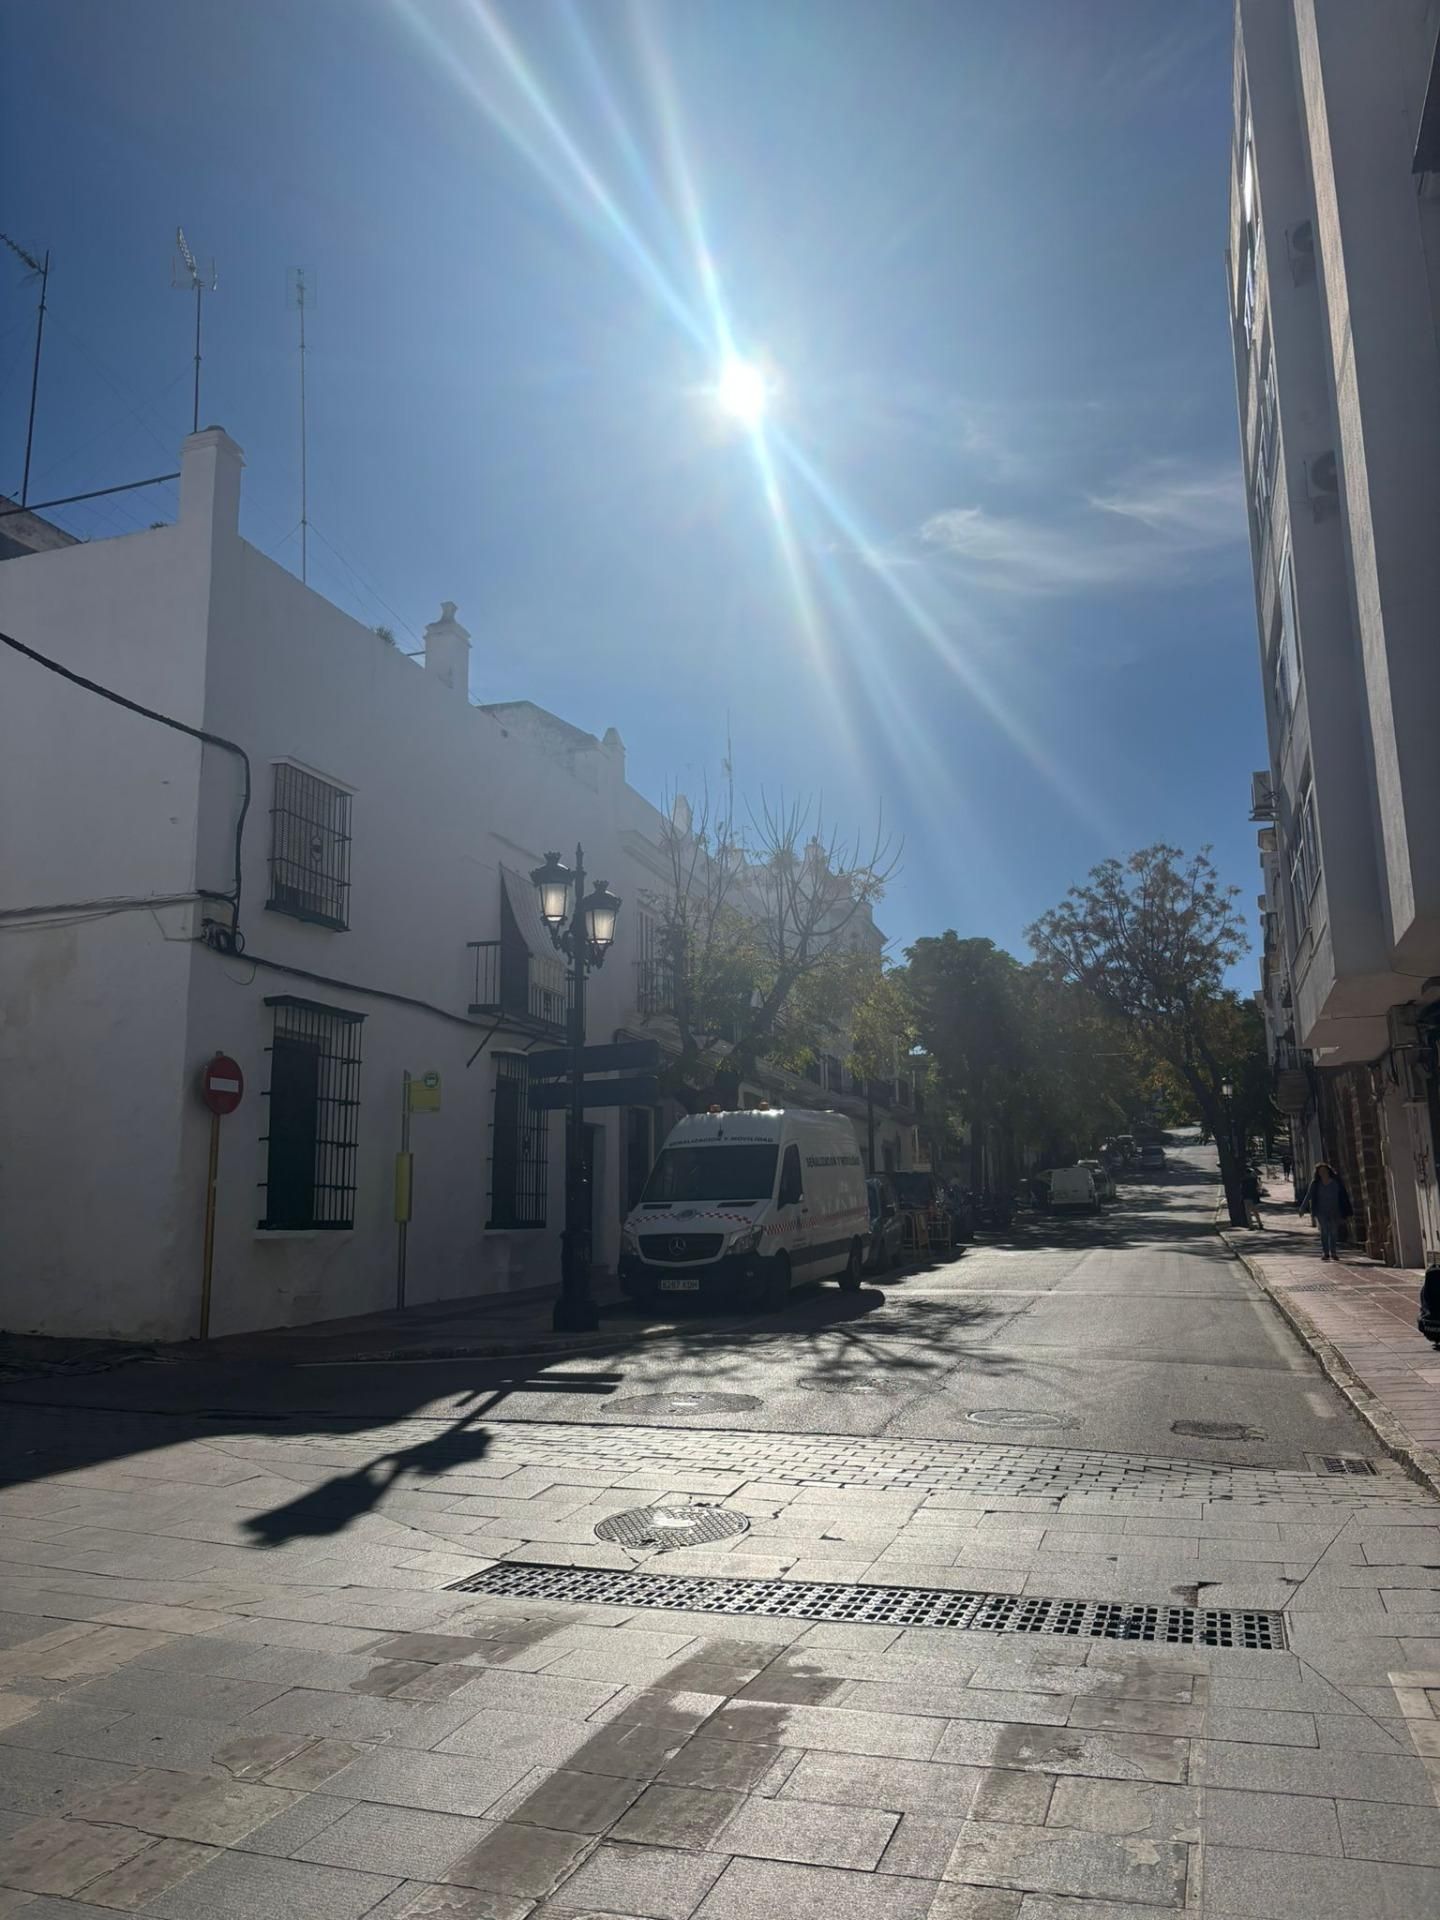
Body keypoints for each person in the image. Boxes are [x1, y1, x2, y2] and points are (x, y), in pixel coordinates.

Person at [1298, 1161, 1352, 1261]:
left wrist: (1345, 1209)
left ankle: (1333, 1252)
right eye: (1320, 1171)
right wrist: (1302, 1208)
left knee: (1333, 1231)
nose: (1323, 1173)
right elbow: (1309, 1195)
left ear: (1328, 1171)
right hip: (1320, 1211)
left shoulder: (1336, 1182)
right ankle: (1326, 1252)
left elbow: (1343, 1196)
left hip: (1335, 1211)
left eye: (1324, 1171)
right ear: (1318, 1173)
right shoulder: (1315, 1184)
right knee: (1324, 1231)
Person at [1242, 1165, 1265, 1229]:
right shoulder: (1254, 1180)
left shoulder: (1244, 1180)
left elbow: (1242, 1189)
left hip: (1246, 1197)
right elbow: (1258, 1188)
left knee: (1248, 1212)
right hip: (1253, 1197)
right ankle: (1260, 1224)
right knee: (1255, 1212)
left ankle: (1251, 1225)